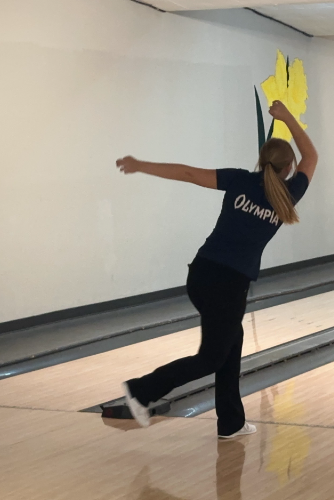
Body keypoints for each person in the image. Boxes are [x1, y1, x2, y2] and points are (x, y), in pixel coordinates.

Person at [114, 100, 318, 439]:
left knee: (230, 342)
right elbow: (311, 155)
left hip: (201, 274)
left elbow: (189, 174)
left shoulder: (240, 181)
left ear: (261, 161)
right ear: (288, 168)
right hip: (229, 285)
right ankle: (140, 391)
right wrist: (286, 118)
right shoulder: (290, 192)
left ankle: (232, 422)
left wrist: (140, 165)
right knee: (211, 357)